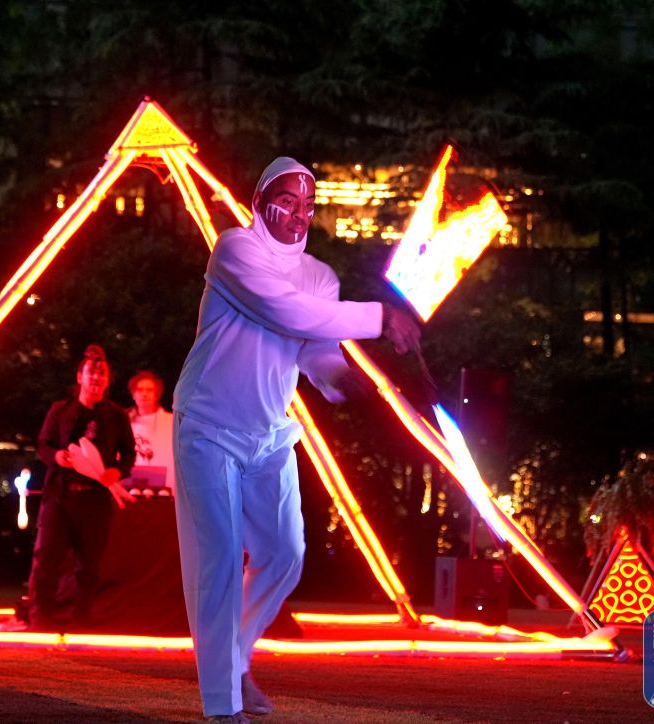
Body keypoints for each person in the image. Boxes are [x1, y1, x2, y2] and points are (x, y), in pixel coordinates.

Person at [172, 157, 421, 721]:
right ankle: (222, 704)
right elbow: (286, 312)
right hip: (208, 426)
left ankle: (234, 660)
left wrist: (345, 383)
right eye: (287, 201)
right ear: (260, 202)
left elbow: (315, 351)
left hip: (269, 435)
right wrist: (380, 319)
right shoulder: (234, 249)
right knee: (219, 559)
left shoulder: (321, 277)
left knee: (285, 554)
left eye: (308, 205)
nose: (298, 214)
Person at [27, 344, 136, 631]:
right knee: (47, 557)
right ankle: (40, 615)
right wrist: (56, 457)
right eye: (91, 373)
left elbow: (128, 453)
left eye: (102, 374)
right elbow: (43, 445)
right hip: (60, 495)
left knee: (89, 564)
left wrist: (116, 471)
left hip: (95, 499)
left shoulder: (116, 415)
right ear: (80, 377)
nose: (96, 378)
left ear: (107, 380)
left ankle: (82, 617)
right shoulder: (60, 410)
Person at [127, 370, 175, 488]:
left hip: (165, 487)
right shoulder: (125, 422)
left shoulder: (171, 422)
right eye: (140, 390)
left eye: (149, 390)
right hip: (130, 485)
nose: (144, 394)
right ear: (133, 395)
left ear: (156, 395)